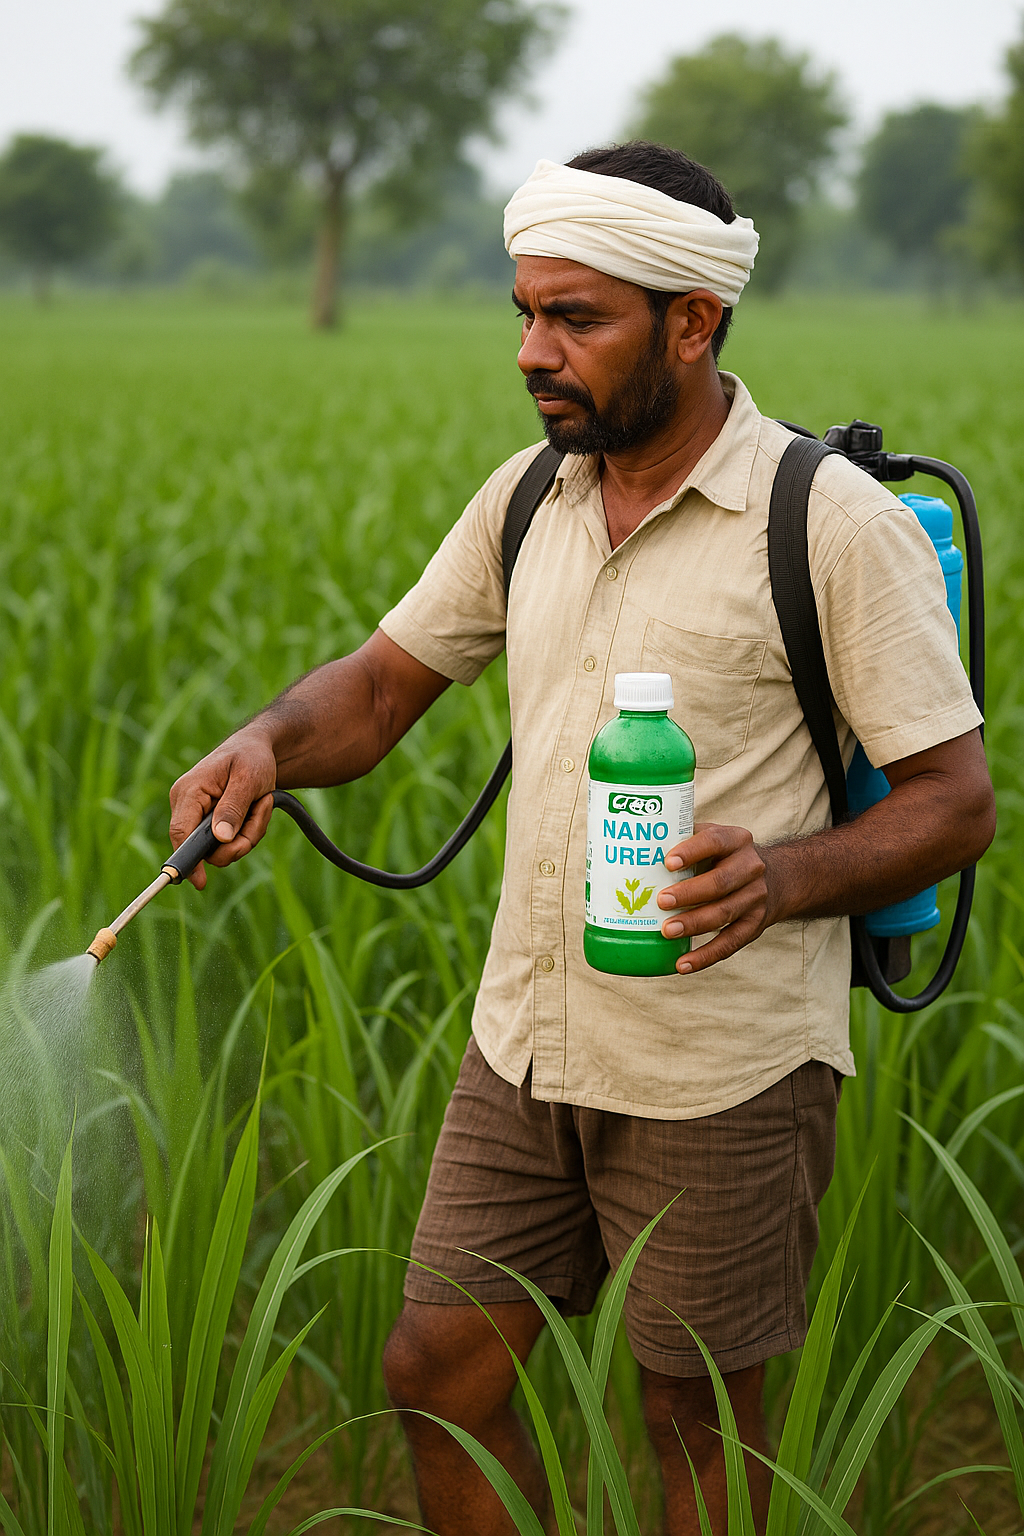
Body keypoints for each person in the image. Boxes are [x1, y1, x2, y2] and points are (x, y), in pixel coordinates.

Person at [168, 142, 995, 1535]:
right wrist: (266, 743)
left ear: (693, 319)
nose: (533, 353)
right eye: (524, 313)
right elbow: (378, 691)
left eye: (576, 319)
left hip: (721, 1065)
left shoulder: (830, 526)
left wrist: (784, 875)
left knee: (694, 1427)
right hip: (529, 1043)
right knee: (436, 1372)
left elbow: (954, 802)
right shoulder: (527, 500)